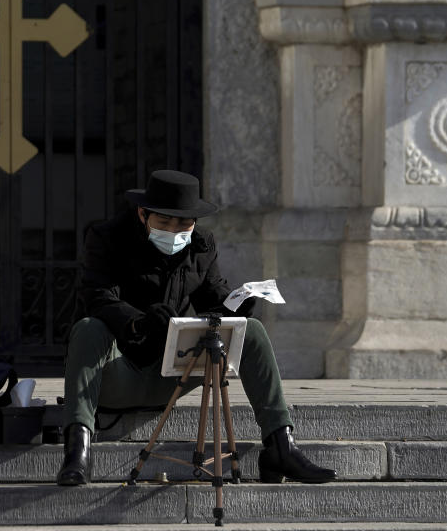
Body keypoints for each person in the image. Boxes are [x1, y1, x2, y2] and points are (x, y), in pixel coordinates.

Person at [56, 170, 337, 485]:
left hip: (177, 371)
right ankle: (77, 451)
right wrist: (138, 320)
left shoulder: (201, 244)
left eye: (183, 225)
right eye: (164, 223)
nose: (175, 232)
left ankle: (280, 447)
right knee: (88, 327)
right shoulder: (107, 237)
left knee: (253, 329)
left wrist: (237, 304)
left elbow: (213, 299)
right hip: (120, 374)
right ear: (142, 213)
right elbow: (97, 296)